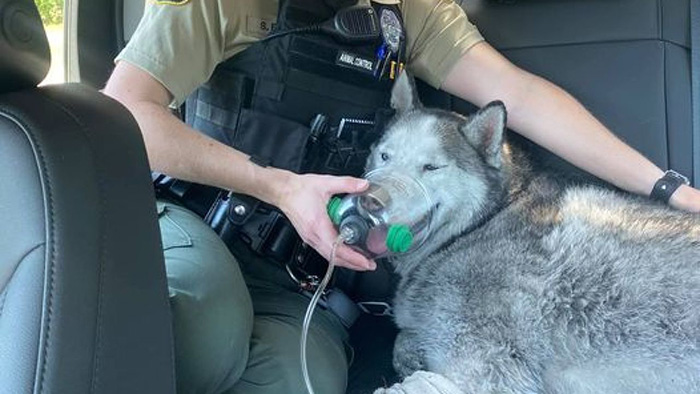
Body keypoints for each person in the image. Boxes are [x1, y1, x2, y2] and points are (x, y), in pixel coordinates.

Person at [103, 0, 700, 393]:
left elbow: (518, 94)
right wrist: (280, 187)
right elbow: (125, 111)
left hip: (304, 281)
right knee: (203, 334)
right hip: (203, 227)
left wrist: (668, 189)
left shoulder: (407, 10)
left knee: (292, 381)